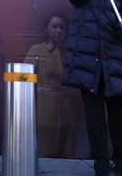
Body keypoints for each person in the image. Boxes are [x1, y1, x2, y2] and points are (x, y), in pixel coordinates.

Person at [62, 0, 122, 176]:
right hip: (87, 55)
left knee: (118, 111)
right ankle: (101, 159)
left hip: (113, 54)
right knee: (94, 113)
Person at [24, 12, 76, 158]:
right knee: (44, 152)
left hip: (66, 109)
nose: (58, 31)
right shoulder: (37, 50)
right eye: (54, 26)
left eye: (62, 27)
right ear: (46, 29)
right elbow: (25, 81)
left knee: (67, 153)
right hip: (43, 109)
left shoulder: (68, 54)